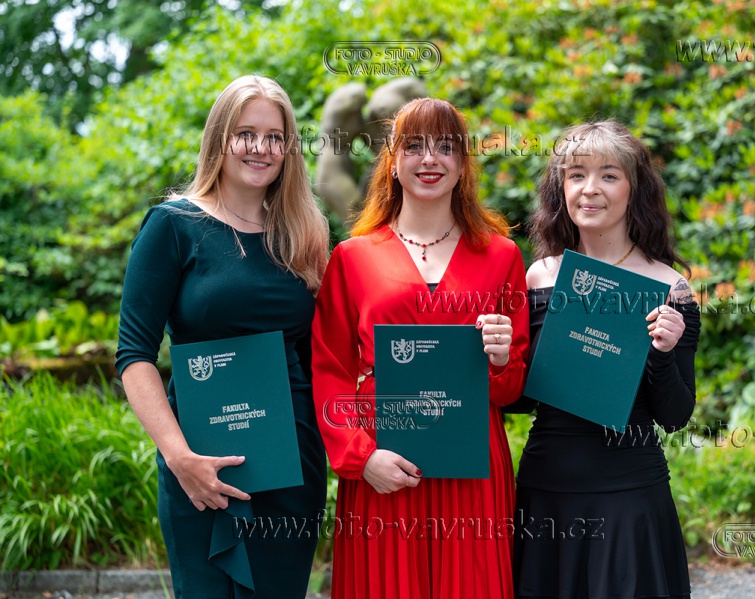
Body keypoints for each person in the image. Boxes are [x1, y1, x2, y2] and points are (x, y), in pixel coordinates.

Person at [115, 75, 329, 599]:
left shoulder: (305, 233)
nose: (261, 148)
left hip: (291, 467)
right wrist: (179, 458)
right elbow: (134, 356)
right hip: (200, 467)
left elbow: (321, 355)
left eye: (275, 137)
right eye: (246, 133)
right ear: (219, 138)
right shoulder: (172, 225)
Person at [311, 97, 529, 599]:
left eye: (445, 147)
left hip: (472, 466)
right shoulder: (352, 257)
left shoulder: (501, 256)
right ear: (392, 161)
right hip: (383, 462)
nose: (430, 159)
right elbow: (329, 370)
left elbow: (511, 387)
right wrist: (361, 457)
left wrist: (500, 360)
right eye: (414, 146)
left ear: (463, 165)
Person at [512, 121, 700, 599]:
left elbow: (675, 415)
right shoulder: (539, 277)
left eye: (609, 175)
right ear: (561, 189)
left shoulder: (669, 287)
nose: (590, 189)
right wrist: (496, 361)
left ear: (634, 189)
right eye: (576, 175)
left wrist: (663, 353)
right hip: (546, 491)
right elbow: (520, 401)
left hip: (629, 495)